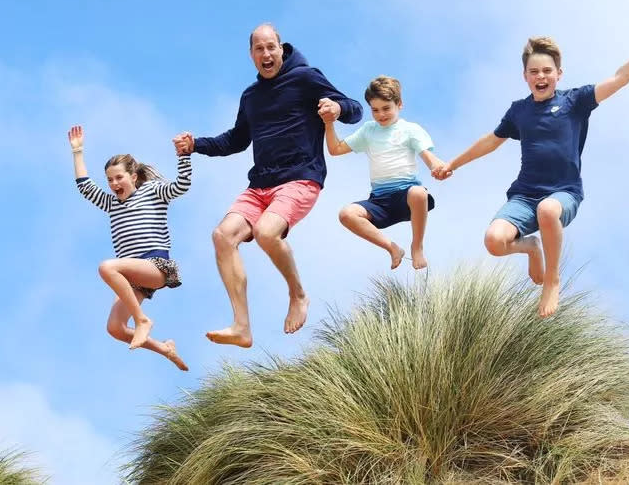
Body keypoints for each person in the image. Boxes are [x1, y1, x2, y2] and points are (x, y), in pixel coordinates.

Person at [434, 16, 629, 317]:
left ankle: (552, 280)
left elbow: (620, 78)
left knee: (548, 210)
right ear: (525, 76)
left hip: (564, 193)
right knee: (494, 242)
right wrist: (452, 163)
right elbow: (491, 141)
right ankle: (531, 247)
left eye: (547, 71)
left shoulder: (576, 101)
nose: (541, 76)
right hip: (524, 196)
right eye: (534, 71)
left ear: (558, 74)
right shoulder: (519, 111)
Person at [173, 23, 362, 347]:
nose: (266, 54)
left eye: (271, 47)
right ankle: (242, 327)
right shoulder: (251, 97)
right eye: (259, 49)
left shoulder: (305, 78)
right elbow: (235, 140)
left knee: (266, 231)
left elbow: (355, 110)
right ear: (251, 55)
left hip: (300, 177)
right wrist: (196, 145)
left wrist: (336, 107)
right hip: (260, 185)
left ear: (281, 47)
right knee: (222, 236)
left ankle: (298, 295)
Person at [69, 124, 191, 370]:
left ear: (133, 177)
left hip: (156, 266)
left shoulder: (152, 192)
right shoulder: (111, 203)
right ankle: (165, 349)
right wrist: (78, 152)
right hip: (134, 277)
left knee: (107, 267)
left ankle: (142, 320)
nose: (114, 183)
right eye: (110, 180)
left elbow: (181, 186)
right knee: (114, 328)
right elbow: (84, 186)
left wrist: (184, 156)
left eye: (119, 177)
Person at [323, 75, 444, 270]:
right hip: (380, 201)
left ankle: (417, 247)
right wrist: (329, 124)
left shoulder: (410, 129)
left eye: (386, 108)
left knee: (419, 192)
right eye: (375, 110)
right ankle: (392, 248)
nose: (381, 115)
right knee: (346, 214)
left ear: (399, 104)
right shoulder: (369, 130)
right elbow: (335, 149)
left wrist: (437, 167)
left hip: (407, 197)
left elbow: (428, 157)